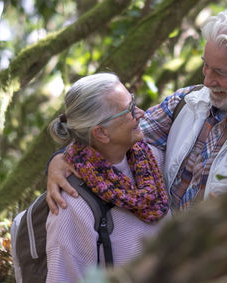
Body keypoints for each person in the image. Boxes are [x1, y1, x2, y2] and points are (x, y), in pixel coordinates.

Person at [46, 8, 227, 215]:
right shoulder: (185, 102)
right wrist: (62, 159)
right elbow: (112, 139)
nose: (207, 80)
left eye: (220, 72)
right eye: (205, 65)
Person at [45, 73, 170, 283]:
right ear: (101, 133)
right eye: (129, 110)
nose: (140, 113)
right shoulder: (71, 207)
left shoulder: (153, 161)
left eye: (134, 102)